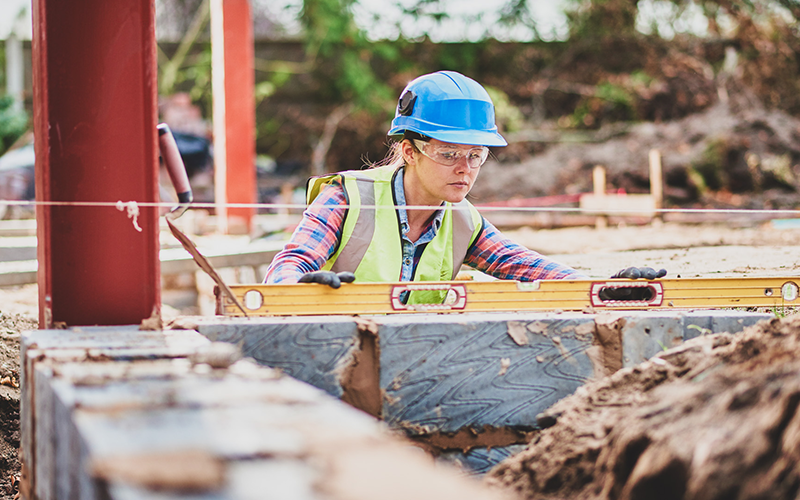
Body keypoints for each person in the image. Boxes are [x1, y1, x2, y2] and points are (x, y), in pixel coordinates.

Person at [263, 70, 664, 304]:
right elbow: (287, 267)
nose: (465, 169)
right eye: (450, 154)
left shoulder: (463, 221)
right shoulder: (347, 198)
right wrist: (298, 286)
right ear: (409, 151)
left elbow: (523, 265)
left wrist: (607, 287)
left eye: (476, 155)